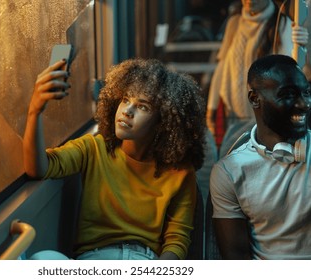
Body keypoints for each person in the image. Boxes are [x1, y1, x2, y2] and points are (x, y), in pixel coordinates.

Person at [23, 58, 207, 260]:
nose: (127, 111)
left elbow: (177, 241)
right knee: (43, 258)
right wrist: (35, 111)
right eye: (126, 99)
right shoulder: (93, 148)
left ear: (162, 123)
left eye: (142, 107)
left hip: (145, 262)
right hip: (93, 261)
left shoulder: (180, 172)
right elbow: (39, 168)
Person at [210, 54, 311, 259]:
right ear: (255, 99)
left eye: (306, 93)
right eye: (288, 94)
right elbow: (236, 260)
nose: (304, 104)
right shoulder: (230, 171)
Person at [206, 0, 309, 145]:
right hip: (234, 117)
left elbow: (291, 69)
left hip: (265, 121)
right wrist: (212, 106)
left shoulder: (281, 24)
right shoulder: (234, 23)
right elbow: (222, 66)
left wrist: (302, 46)